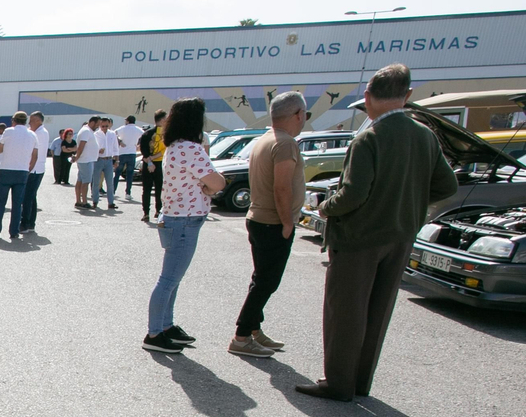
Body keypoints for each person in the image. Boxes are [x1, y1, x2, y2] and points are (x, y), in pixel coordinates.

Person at [297, 64, 459, 400]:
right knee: (378, 309)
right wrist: (409, 202)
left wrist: (325, 208)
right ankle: (360, 381)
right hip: (400, 235)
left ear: (367, 97)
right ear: (408, 96)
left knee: (346, 311)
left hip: (360, 238)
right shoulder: (424, 134)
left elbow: (354, 194)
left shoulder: (369, 137)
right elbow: (447, 184)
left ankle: (339, 383)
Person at [226, 92, 309, 358]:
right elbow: (281, 187)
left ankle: (253, 330)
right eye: (304, 114)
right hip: (273, 222)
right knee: (266, 283)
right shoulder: (285, 143)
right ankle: (241, 336)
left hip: (259, 219)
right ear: (298, 114)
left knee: (261, 279)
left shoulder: (265, 138)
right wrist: (287, 223)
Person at [143, 98, 226, 353]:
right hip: (184, 221)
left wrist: (207, 184)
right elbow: (218, 183)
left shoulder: (176, 147)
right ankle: (155, 333)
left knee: (172, 279)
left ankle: (165, 326)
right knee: (169, 279)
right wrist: (210, 185)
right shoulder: (191, 148)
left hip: (175, 218)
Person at [0, 112, 40, 240]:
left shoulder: (8, 131)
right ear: (26, 121)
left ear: (14, 120)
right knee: (17, 204)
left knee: (0, 202)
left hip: (6, 169)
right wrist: (29, 169)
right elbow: (35, 155)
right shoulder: (32, 135)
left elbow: (0, 149)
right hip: (22, 171)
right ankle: (14, 231)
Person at [20, 112, 49, 233]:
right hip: (36, 168)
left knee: (27, 197)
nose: (29, 123)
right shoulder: (38, 132)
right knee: (31, 196)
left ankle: (25, 224)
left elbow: (32, 151)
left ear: (38, 121)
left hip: (34, 169)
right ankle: (31, 223)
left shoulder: (40, 133)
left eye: (32, 120)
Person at [140, 110, 167, 222]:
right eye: (166, 119)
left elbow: (166, 150)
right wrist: (150, 161)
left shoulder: (165, 133)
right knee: (152, 189)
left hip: (154, 163)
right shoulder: (150, 134)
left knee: (155, 189)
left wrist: (150, 159)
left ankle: (154, 211)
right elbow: (144, 149)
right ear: (161, 120)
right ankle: (150, 212)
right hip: (154, 163)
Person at [73, 116, 100, 208]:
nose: (98, 126)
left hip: (86, 160)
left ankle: (78, 201)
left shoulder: (88, 131)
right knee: (85, 182)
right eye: (97, 124)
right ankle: (84, 201)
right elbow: (81, 146)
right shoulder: (86, 131)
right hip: (86, 160)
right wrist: (77, 156)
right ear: (92, 122)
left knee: (80, 181)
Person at [93, 117, 119, 209]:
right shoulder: (96, 134)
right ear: (100, 125)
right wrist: (98, 151)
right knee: (96, 181)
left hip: (108, 159)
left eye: (106, 126)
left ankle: (111, 202)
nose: (104, 128)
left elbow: (116, 148)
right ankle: (95, 201)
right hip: (99, 159)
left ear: (109, 124)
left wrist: (117, 160)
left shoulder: (112, 134)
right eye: (102, 126)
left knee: (110, 182)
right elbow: (92, 148)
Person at [116, 115, 144, 199]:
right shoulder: (138, 129)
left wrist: (120, 141)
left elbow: (114, 134)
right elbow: (145, 136)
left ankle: (113, 191)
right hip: (132, 153)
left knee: (118, 172)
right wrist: (139, 144)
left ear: (127, 121)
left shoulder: (123, 128)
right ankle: (128, 193)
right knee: (130, 174)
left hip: (122, 152)